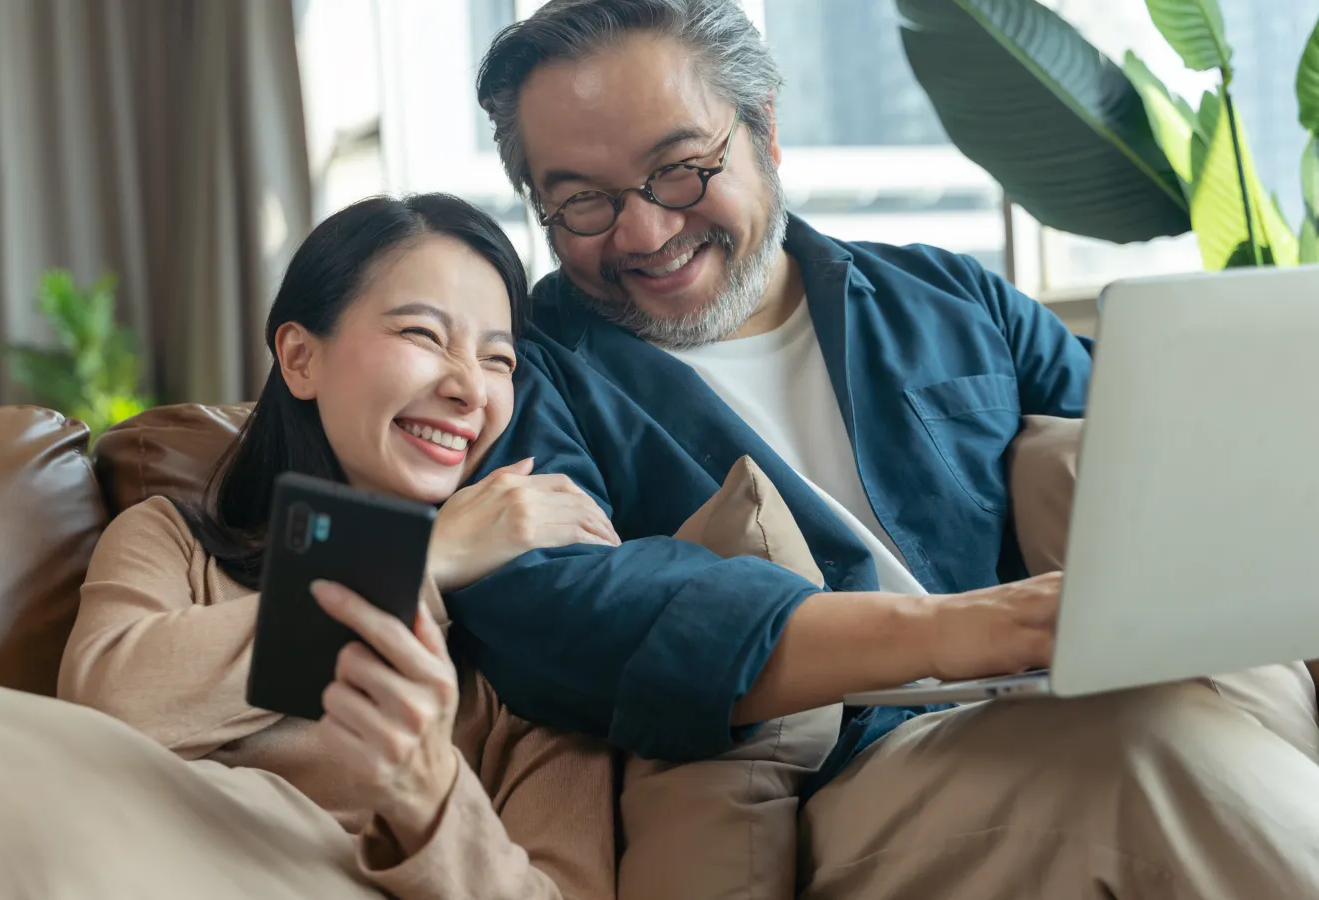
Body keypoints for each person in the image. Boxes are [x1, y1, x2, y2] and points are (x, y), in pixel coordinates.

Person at [444, 0, 1319, 896]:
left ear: (765, 130)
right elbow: (555, 611)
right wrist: (949, 633)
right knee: (1152, 752)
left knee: (1198, 711)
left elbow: (1165, 443)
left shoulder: (945, 296)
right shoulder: (528, 378)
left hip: (1073, 709)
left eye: (678, 170)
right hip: (850, 778)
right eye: (581, 201)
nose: (643, 233)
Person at [57, 194, 619, 900]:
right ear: (299, 357)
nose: (469, 387)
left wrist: (426, 796)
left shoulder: (534, 635)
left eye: (498, 359)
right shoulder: (174, 542)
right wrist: (420, 561)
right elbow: (105, 712)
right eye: (423, 333)